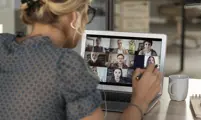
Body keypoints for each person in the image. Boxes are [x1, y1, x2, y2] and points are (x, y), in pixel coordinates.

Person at [0, 0, 161, 120]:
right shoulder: (66, 64)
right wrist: (139, 101)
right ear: (74, 18)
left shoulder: (2, 43)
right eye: (87, 13)